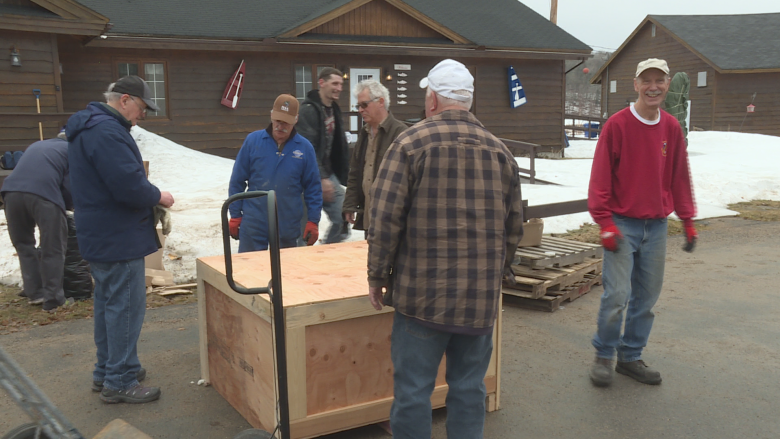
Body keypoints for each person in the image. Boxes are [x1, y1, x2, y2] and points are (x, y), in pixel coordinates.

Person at [367, 59, 524, 439]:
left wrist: (377, 275)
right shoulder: (501, 152)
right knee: (470, 390)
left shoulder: (409, 144)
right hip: (479, 302)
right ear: (467, 101)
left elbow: (384, 219)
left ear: (433, 100)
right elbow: (514, 227)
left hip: (422, 297)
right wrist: (496, 275)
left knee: (413, 391)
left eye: (426, 95)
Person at [587, 58, 697, 387]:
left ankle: (630, 356)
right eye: (646, 80)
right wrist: (604, 221)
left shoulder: (671, 128)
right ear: (635, 84)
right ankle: (604, 354)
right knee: (617, 295)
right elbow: (600, 178)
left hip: (656, 227)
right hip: (622, 223)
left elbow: (679, 176)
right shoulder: (618, 125)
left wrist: (688, 219)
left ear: (666, 85)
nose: (653, 86)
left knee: (646, 298)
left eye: (659, 80)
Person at [67, 75, 174, 404]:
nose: (142, 115)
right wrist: (159, 195)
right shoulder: (107, 131)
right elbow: (128, 186)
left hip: (100, 233)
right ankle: (120, 381)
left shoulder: (89, 128)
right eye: (142, 107)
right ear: (124, 100)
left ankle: (108, 370)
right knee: (125, 308)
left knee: (108, 305)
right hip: (117, 236)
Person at [228, 94, 322, 251]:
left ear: (296, 120)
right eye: (278, 121)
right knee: (250, 270)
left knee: (285, 270)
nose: (281, 126)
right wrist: (236, 214)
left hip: (287, 222)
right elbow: (237, 181)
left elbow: (313, 188)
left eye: (286, 123)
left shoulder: (304, 148)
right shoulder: (253, 141)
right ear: (271, 115)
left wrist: (313, 220)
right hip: (254, 221)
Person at [1, 130, 73, 312]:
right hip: (44, 196)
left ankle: (35, 293)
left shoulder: (37, 145)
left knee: (24, 245)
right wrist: (71, 207)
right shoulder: (72, 151)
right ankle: (54, 300)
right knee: (53, 247)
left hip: (11, 193)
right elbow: (69, 186)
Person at [343, 79, 407, 235]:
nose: (360, 110)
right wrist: (350, 204)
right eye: (358, 106)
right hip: (369, 218)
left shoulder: (400, 133)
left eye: (364, 105)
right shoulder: (364, 134)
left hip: (393, 220)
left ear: (381, 102)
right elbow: (355, 172)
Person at [297, 67, 350, 244]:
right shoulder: (308, 110)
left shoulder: (334, 109)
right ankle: (298, 267)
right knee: (304, 232)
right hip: (305, 178)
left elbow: (339, 145)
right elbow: (307, 148)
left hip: (327, 173)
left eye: (341, 84)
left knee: (343, 218)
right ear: (322, 83)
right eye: (335, 83)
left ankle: (328, 253)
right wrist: (321, 178)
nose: (339, 88)